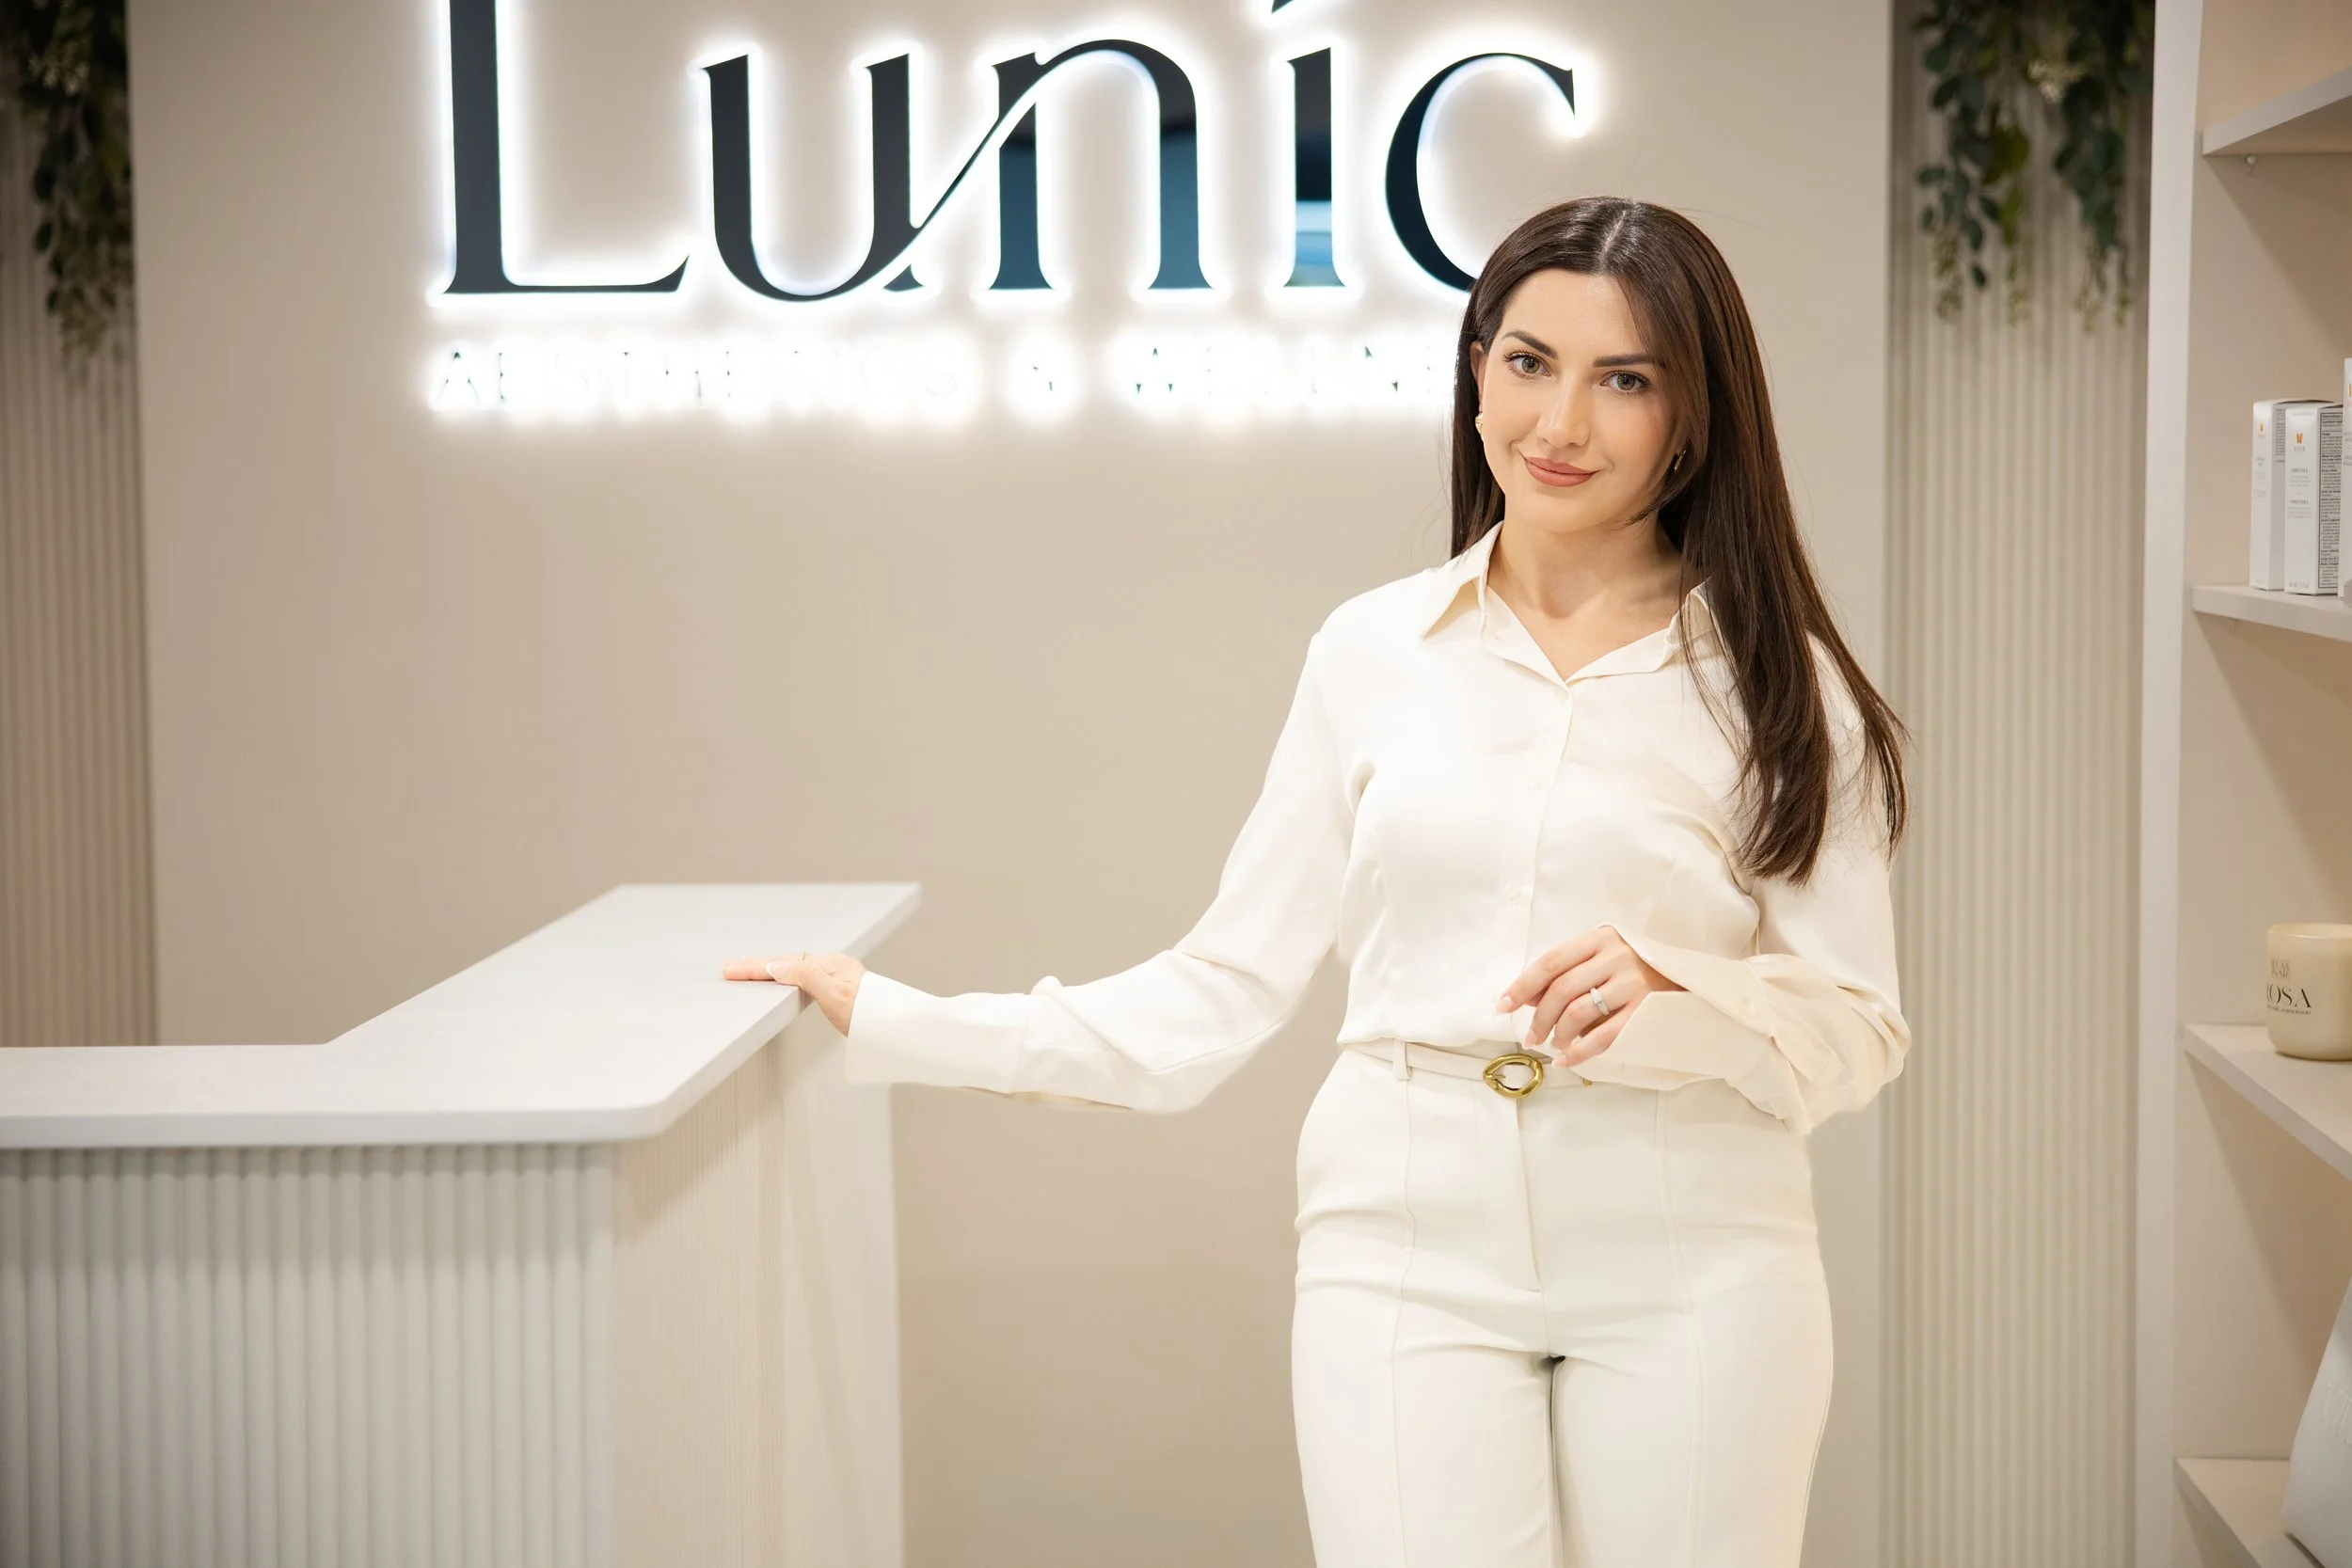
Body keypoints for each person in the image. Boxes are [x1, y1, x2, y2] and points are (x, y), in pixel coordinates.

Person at [722, 195, 1911, 1568]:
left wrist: (1680, 988)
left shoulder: (1782, 687)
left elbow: (1855, 1029)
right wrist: (893, 1014)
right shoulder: (1369, 653)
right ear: (1474, 376)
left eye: (1624, 380)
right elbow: (1219, 989)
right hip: (1404, 1241)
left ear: (1692, 419)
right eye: (1527, 363)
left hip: (1698, 1250)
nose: (1561, 424)